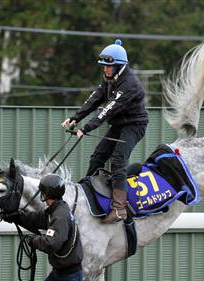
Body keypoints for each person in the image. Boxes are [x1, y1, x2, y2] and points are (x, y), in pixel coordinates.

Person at [62, 39, 148, 223]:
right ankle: (84, 193)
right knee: (97, 157)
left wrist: (85, 128)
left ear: (119, 66)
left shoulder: (130, 84)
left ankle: (119, 209)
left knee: (117, 160)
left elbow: (108, 109)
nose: (105, 70)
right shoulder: (109, 79)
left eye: (109, 66)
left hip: (134, 125)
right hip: (119, 124)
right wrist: (75, 118)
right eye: (104, 66)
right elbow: (95, 99)